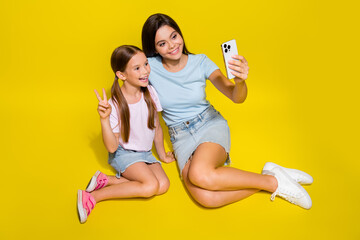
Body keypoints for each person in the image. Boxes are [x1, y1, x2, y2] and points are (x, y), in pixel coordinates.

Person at [141, 13, 313, 209]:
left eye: (174, 36)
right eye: (162, 43)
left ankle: (274, 183)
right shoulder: (148, 68)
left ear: (180, 34)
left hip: (209, 123)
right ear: (153, 49)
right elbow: (141, 101)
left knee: (199, 175)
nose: (172, 46)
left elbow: (236, 97)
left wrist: (240, 82)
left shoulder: (201, 62)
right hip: (180, 136)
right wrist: (161, 153)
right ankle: (270, 177)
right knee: (207, 199)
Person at [77, 45, 175, 223]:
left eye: (146, 64)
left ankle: (108, 180)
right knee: (150, 186)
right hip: (123, 153)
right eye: (137, 68)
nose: (145, 70)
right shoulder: (114, 104)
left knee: (163, 185)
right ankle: (93, 197)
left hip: (144, 153)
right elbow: (112, 146)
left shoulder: (150, 93)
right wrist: (104, 119)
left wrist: (162, 155)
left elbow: (157, 128)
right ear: (121, 75)